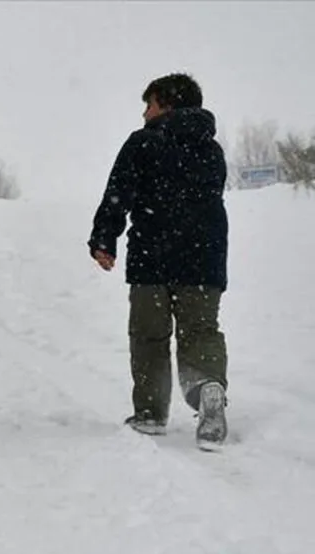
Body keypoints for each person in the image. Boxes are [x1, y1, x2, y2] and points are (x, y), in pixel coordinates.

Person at [88, 73, 229, 451]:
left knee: (149, 335)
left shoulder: (143, 142)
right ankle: (208, 388)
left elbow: (118, 194)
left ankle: (150, 413)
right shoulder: (211, 149)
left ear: (167, 104)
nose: (144, 113)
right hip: (204, 258)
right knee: (201, 332)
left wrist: (104, 239)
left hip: (153, 257)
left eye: (149, 104)